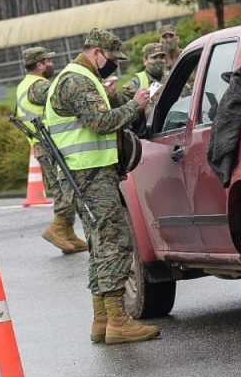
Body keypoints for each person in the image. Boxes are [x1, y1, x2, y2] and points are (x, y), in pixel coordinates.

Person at [45, 28, 157, 345]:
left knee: (99, 242)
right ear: (97, 53)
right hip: (90, 174)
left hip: (87, 174)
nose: (115, 65)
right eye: (112, 59)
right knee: (114, 240)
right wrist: (136, 104)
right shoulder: (77, 79)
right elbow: (100, 122)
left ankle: (102, 320)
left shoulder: (80, 77)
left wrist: (127, 99)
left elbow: (101, 112)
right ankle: (119, 321)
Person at [16, 46, 88, 254]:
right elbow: (61, 94)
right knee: (65, 187)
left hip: (43, 145)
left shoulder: (24, 85)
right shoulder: (38, 86)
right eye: (48, 61)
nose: (51, 64)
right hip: (49, 145)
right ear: (39, 65)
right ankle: (58, 228)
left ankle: (66, 231)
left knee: (63, 187)